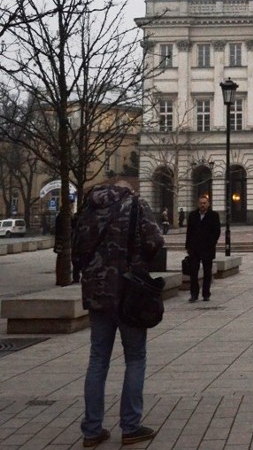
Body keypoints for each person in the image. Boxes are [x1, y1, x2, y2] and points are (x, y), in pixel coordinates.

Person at [73, 184, 162, 447]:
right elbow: (155, 240)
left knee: (98, 359)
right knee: (135, 358)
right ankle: (131, 426)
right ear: (126, 189)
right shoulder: (135, 205)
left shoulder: (88, 209)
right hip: (129, 293)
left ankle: (92, 430)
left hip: (97, 293)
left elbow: (77, 248)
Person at [184, 195, 221, 302]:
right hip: (194, 249)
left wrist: (211, 243)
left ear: (208, 204)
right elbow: (189, 232)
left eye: (204, 203)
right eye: (201, 203)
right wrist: (188, 246)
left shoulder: (214, 215)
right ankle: (194, 294)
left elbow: (216, 232)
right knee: (193, 273)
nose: (202, 205)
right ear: (198, 204)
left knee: (207, 273)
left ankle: (206, 294)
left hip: (207, 248)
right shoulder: (192, 215)